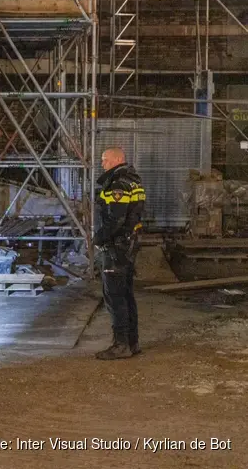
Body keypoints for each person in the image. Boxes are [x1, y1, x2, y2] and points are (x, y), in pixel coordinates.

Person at [93, 147, 146, 360]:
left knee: (114, 296)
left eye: (105, 160)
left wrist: (99, 238)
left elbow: (116, 219)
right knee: (126, 295)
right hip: (128, 245)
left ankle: (121, 345)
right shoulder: (133, 181)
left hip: (116, 247)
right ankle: (132, 342)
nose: (102, 164)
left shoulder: (118, 184)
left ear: (117, 159)